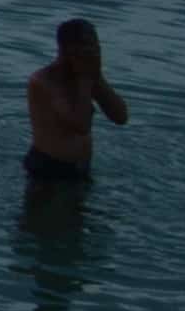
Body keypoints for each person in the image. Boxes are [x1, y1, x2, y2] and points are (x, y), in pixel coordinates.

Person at [25, 18, 131, 193]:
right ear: (68, 49)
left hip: (80, 169)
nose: (95, 52)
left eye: (97, 46)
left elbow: (120, 117)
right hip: (50, 171)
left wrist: (96, 78)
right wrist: (85, 80)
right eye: (88, 46)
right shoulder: (45, 81)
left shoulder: (87, 75)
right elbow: (81, 124)